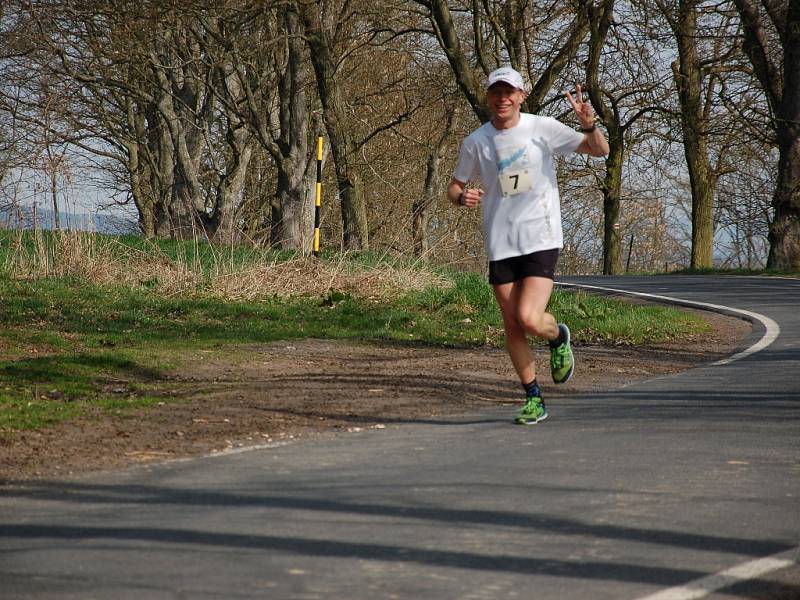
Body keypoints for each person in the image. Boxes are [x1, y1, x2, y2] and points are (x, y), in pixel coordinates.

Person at [448, 66, 609, 424]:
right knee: (512, 326)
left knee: (529, 318)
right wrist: (463, 198)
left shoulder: (542, 128)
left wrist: (588, 124)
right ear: (488, 97)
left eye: (509, 92)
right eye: (496, 92)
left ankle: (557, 335)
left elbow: (599, 151)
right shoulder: (476, 141)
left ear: (521, 96)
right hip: (500, 241)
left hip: (540, 236)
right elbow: (455, 186)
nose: (502, 98)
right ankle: (534, 397)